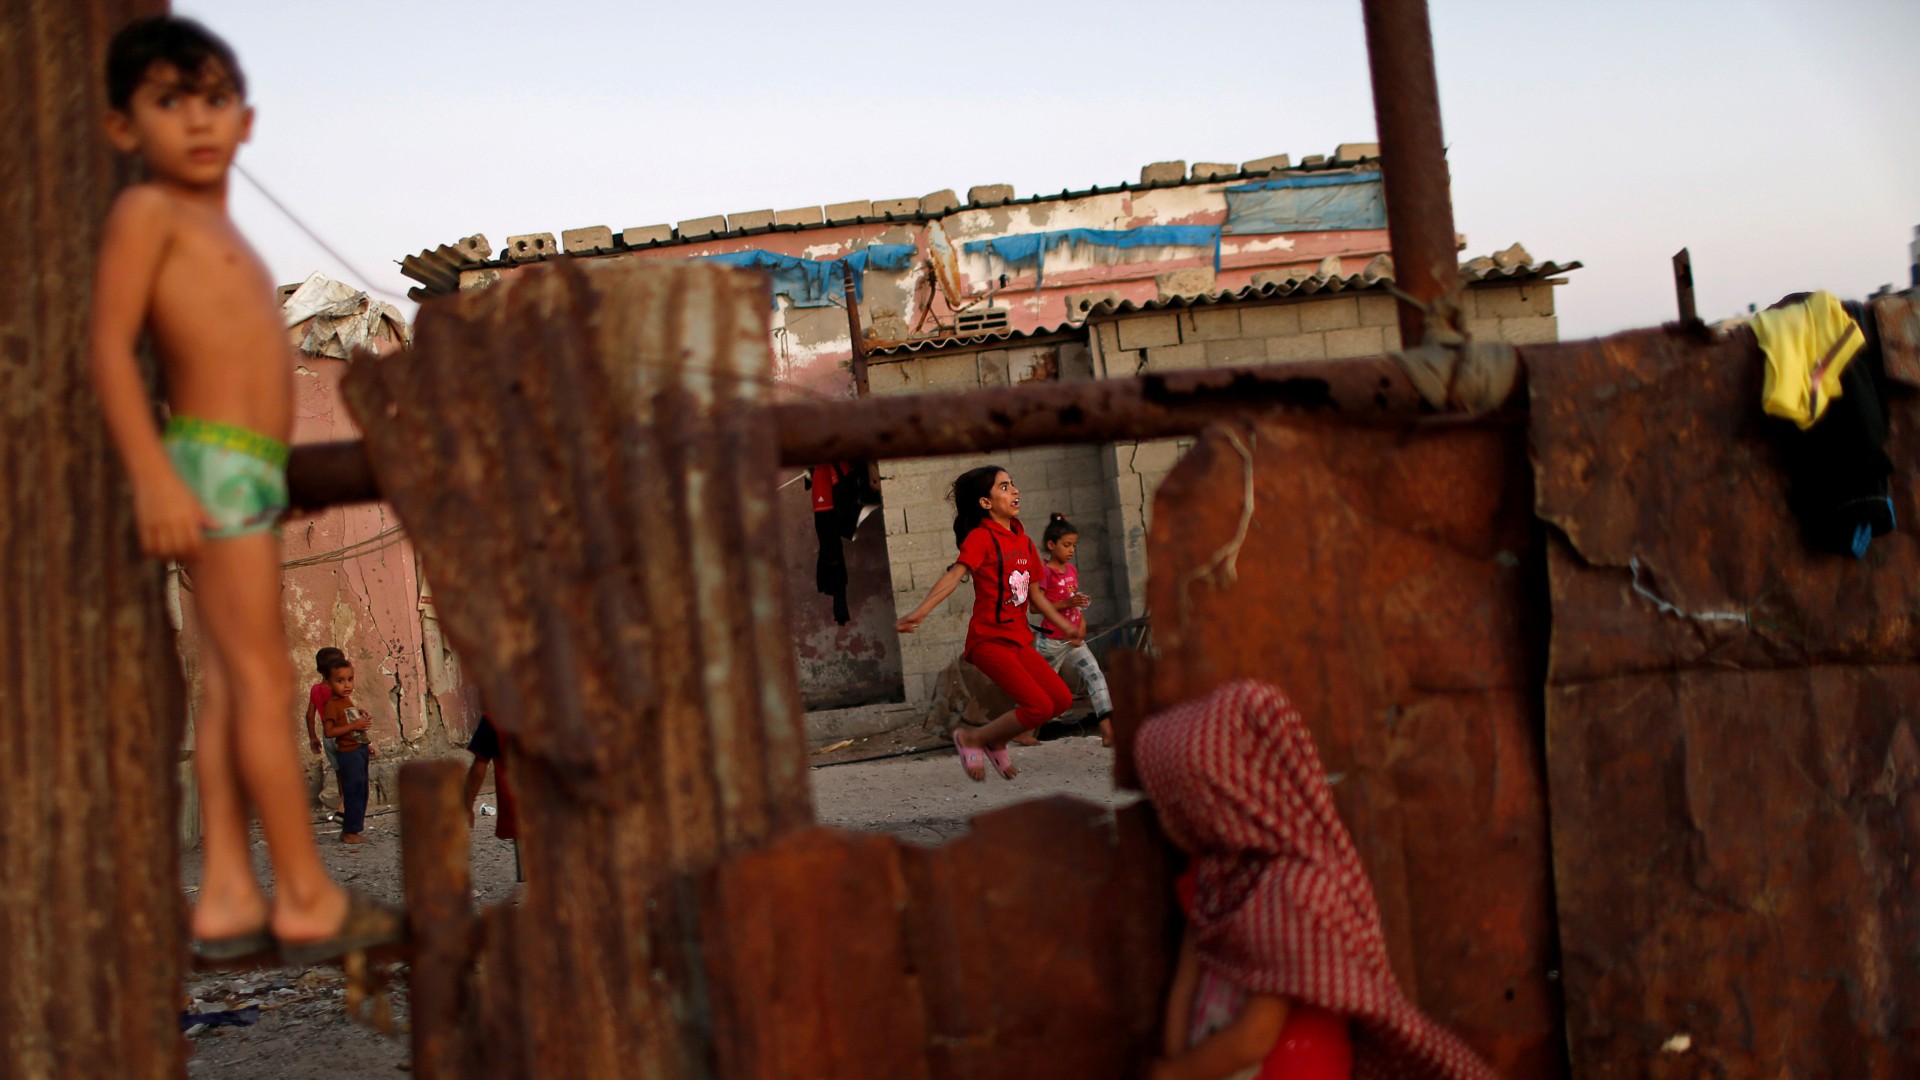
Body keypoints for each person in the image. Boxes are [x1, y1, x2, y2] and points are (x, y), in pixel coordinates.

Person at [88, 15, 397, 962]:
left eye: (212, 98)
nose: (195, 120)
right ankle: (300, 889)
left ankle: (227, 886)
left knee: (232, 685)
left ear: (247, 118)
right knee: (261, 679)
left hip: (245, 470)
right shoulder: (148, 218)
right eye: (168, 101)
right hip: (208, 459)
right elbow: (107, 346)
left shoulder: (222, 235)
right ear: (121, 127)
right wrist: (152, 473)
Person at [1135, 681, 1495, 1080]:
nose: (1165, 819)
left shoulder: (1293, 891)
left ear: (1220, 803)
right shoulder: (1214, 883)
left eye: (1174, 804)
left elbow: (1256, 1037)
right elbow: (1186, 986)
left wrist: (1174, 1074)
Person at [895, 466, 1082, 781]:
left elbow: (1036, 597)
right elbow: (955, 575)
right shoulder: (982, 537)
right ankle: (973, 738)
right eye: (1005, 487)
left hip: (1018, 640)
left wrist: (1064, 627)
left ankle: (995, 738)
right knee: (1036, 707)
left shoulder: (1022, 541)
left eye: (1013, 484)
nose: (1015, 491)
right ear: (985, 502)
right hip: (989, 641)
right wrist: (921, 610)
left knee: (1060, 700)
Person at [1032, 513, 1114, 747]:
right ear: (1051, 545)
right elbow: (1036, 607)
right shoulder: (1044, 572)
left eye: (1073, 546)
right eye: (1066, 545)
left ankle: (1107, 731)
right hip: (1051, 642)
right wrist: (1067, 605)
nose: (1071, 551)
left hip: (1073, 641)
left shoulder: (1071, 571)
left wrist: (1082, 623)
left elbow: (1073, 602)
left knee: (1095, 677)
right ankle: (1024, 731)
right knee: (1038, 689)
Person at [320, 659, 373, 845]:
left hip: (359, 749)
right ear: (328, 683)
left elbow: (352, 725)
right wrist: (354, 725)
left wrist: (366, 742)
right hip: (348, 754)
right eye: (340, 681)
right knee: (352, 791)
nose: (347, 685)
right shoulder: (332, 705)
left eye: (350, 679)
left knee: (362, 790)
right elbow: (329, 732)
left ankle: (355, 828)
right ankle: (349, 832)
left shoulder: (346, 701)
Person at [304, 646, 345, 815]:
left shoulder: (316, 690)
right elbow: (345, 713)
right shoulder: (338, 689)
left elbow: (309, 715)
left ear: (319, 669)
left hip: (327, 737)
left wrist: (313, 737)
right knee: (351, 772)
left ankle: (342, 804)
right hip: (342, 734)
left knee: (339, 772)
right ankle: (344, 808)